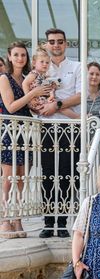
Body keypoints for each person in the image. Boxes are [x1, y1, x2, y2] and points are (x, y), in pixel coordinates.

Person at [0, 42, 50, 238]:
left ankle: (17, 219)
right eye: (16, 55)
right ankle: (5, 219)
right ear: (10, 57)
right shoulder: (4, 78)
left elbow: (28, 105)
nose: (20, 58)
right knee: (8, 179)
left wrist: (41, 103)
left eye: (23, 55)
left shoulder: (27, 78)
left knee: (21, 178)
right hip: (9, 132)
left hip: (25, 131)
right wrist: (33, 93)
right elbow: (11, 106)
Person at [38, 28, 81, 238]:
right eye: (52, 42)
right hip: (46, 126)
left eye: (60, 41)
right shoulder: (41, 68)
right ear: (46, 44)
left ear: (66, 44)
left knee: (66, 174)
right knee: (47, 175)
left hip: (69, 127)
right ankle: (48, 223)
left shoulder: (78, 67)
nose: (56, 45)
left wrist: (58, 105)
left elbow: (80, 95)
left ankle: (62, 223)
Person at [22, 48, 75, 117]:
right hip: (35, 101)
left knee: (59, 105)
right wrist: (30, 99)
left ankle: (77, 117)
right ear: (34, 63)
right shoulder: (34, 73)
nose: (45, 64)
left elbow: (47, 89)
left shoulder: (44, 76)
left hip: (42, 99)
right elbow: (24, 84)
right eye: (42, 62)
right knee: (58, 106)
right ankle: (78, 117)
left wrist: (52, 93)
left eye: (47, 62)